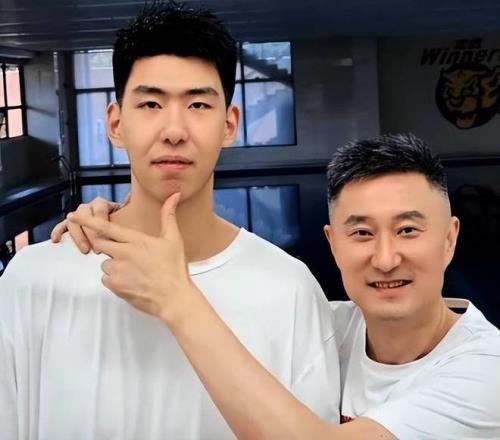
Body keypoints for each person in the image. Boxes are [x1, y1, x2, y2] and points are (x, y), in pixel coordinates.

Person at [0, 3, 340, 439]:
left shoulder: (289, 290)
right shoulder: (35, 279)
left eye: (198, 104)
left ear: (229, 124)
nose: (174, 130)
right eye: (151, 103)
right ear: (116, 123)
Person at [60, 133, 500, 439]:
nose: (385, 259)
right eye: (362, 233)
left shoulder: (485, 370)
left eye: (407, 230)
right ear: (333, 243)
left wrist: (177, 300)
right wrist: (122, 221)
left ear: (449, 239)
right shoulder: (322, 325)